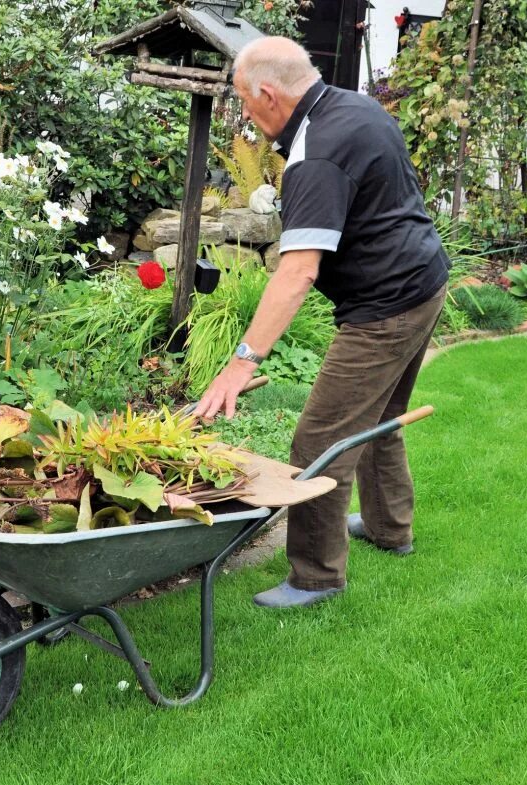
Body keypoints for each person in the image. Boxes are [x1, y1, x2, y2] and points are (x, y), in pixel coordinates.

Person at [193, 36, 449, 608]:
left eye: (243, 100)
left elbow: (296, 272)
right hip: (423, 281)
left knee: (319, 441)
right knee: (381, 418)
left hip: (385, 308)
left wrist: (240, 364)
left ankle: (316, 577)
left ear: (266, 93)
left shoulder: (315, 156)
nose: (245, 115)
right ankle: (389, 529)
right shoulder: (354, 106)